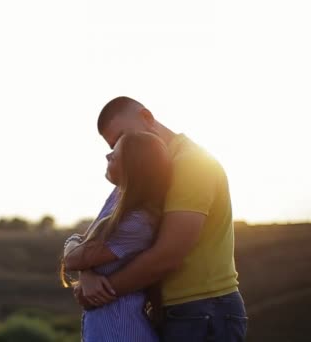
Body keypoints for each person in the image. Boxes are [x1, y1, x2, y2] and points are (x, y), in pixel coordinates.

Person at [73, 96, 247, 341]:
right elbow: (93, 241)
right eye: (114, 146)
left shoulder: (192, 164)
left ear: (147, 117)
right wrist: (88, 275)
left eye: (122, 137)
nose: (119, 150)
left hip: (203, 308)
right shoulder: (143, 174)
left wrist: (97, 293)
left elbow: (168, 255)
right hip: (174, 311)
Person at [62, 131, 171, 341]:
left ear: (133, 167)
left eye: (116, 154)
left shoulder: (137, 222)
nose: (107, 156)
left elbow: (73, 257)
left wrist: (75, 246)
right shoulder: (118, 202)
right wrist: (87, 274)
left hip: (121, 330)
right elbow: (82, 254)